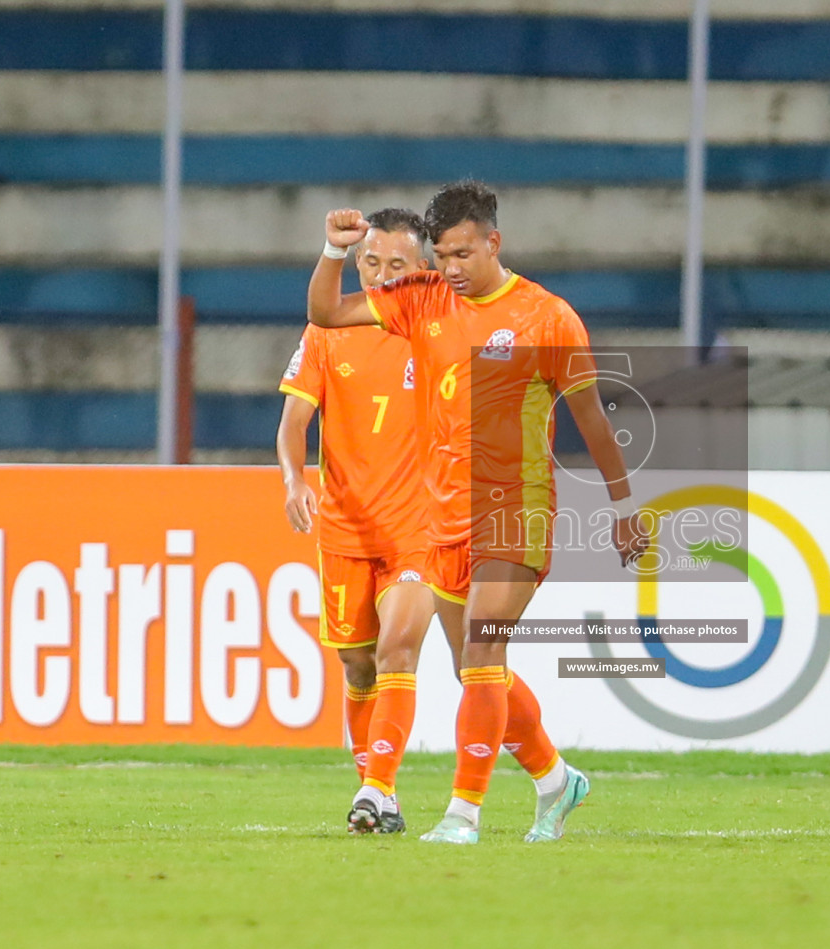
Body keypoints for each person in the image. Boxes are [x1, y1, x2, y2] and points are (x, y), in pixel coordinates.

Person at [308, 180, 646, 844]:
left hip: (517, 507)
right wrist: (331, 250)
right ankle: (555, 779)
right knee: (474, 666)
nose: (453, 268)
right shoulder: (423, 300)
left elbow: (592, 422)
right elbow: (325, 313)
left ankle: (464, 813)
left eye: (464, 253)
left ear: (494, 241)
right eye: (443, 254)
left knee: (486, 644)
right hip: (443, 513)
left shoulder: (547, 318)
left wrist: (624, 505)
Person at [277, 207, 433, 835]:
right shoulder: (328, 331)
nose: (382, 275)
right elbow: (292, 426)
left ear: (423, 271)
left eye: (397, 265)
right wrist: (293, 478)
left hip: (419, 527)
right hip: (345, 527)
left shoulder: (435, 325)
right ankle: (376, 791)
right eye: (372, 262)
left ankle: (378, 791)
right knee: (358, 663)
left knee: (398, 650)